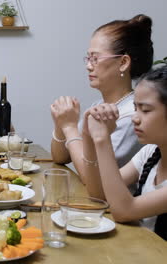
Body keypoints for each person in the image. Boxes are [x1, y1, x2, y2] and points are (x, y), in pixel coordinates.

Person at [50, 14, 153, 184]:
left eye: (95, 58)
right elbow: (61, 157)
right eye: (88, 58)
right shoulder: (99, 106)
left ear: (123, 63)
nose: (88, 65)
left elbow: (93, 180)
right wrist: (60, 124)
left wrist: (70, 127)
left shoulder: (132, 115)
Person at [81, 65, 167, 241]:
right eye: (135, 108)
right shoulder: (150, 153)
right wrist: (88, 136)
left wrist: (102, 140)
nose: (135, 118)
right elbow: (99, 195)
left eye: (146, 110)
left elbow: (124, 210)